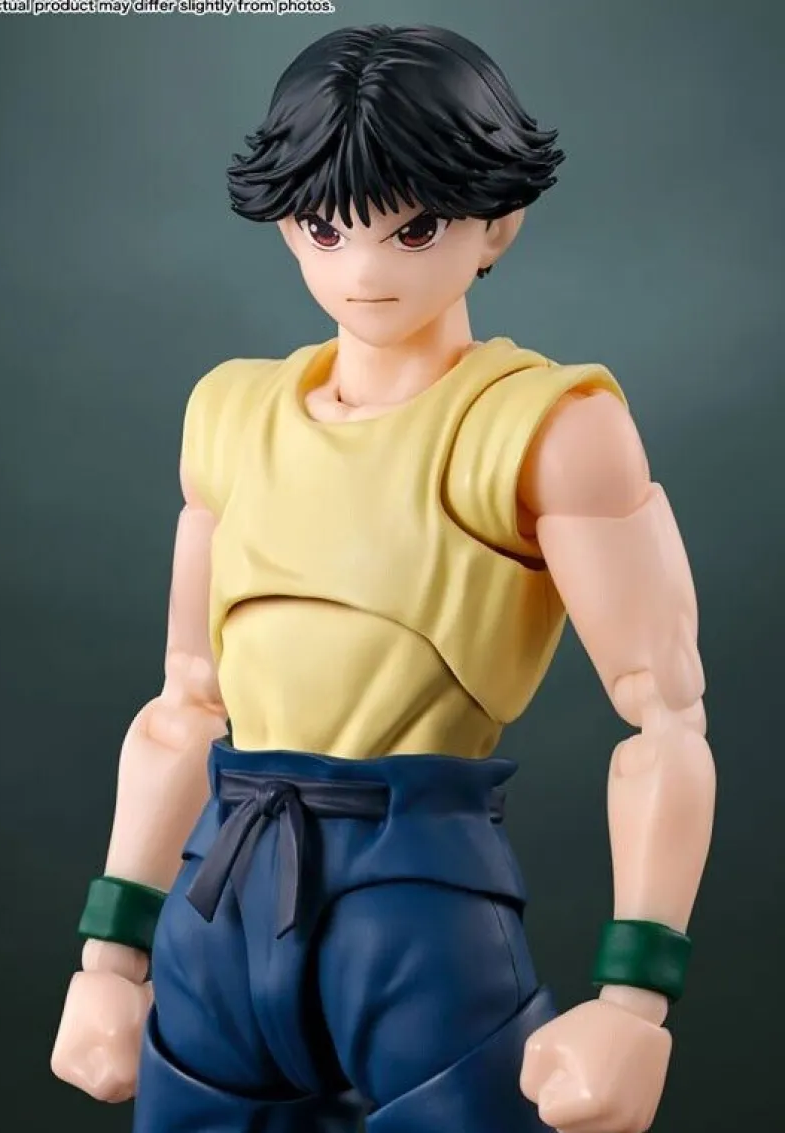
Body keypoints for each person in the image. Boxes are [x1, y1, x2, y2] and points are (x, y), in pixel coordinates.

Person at [51, 24, 715, 1133]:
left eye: (414, 228)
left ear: (497, 220)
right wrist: (110, 955)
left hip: (416, 897)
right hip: (220, 892)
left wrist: (634, 998)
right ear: (286, 223)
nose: (363, 271)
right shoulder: (229, 416)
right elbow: (184, 703)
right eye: (326, 227)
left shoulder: (546, 427)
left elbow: (665, 717)